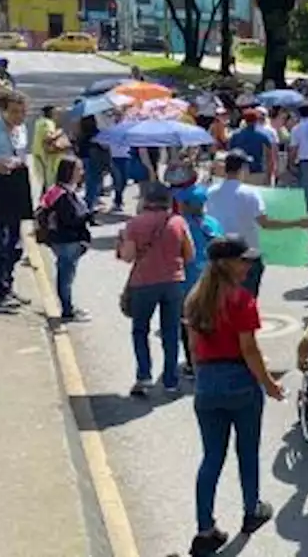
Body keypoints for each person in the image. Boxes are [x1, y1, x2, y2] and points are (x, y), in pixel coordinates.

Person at [183, 235, 282, 556]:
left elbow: (195, 350)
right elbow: (249, 350)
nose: (249, 265)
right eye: (244, 260)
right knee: (247, 450)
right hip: (240, 381)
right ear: (228, 264)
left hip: (208, 382)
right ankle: (251, 509)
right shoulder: (242, 300)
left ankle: (204, 528)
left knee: (211, 457)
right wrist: (269, 384)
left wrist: (203, 381)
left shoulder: (194, 299)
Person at [118, 183, 194, 396]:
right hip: (173, 282)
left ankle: (144, 377)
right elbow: (190, 255)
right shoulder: (178, 222)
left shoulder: (134, 224)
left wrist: (122, 243)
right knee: (171, 332)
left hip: (143, 283)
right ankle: (170, 380)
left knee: (140, 330)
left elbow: (128, 257)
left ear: (146, 201)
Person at [206, 150, 308, 296]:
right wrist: (296, 223)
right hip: (246, 252)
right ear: (242, 169)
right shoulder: (250, 194)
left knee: (220, 297)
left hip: (219, 251)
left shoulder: (211, 192)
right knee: (247, 298)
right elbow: (265, 223)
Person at [175, 185, 224, 377]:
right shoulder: (213, 224)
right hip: (212, 281)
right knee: (212, 321)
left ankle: (191, 363)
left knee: (188, 323)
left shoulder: (179, 224)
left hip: (186, 283)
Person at [0, 88, 32, 315]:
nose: (19, 117)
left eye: (23, 112)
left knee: (15, 242)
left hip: (16, 181)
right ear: (2, 110)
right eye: (15, 112)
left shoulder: (21, 129)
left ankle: (6, 286)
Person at [37, 156, 91, 320]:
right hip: (67, 241)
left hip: (59, 240)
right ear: (69, 172)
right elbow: (70, 219)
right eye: (78, 169)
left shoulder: (57, 190)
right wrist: (88, 216)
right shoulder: (63, 196)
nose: (82, 173)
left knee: (65, 274)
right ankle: (68, 310)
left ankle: (68, 306)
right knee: (66, 277)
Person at [227, 109, 274, 186]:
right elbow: (269, 157)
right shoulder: (262, 137)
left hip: (239, 172)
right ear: (256, 121)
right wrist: (269, 175)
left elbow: (230, 153)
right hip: (256, 171)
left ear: (244, 120)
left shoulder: (235, 136)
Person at [30, 105, 67, 194]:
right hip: (45, 156)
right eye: (55, 113)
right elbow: (49, 138)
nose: (57, 115)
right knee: (49, 182)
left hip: (39, 153)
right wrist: (60, 131)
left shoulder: (39, 121)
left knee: (44, 182)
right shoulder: (47, 123)